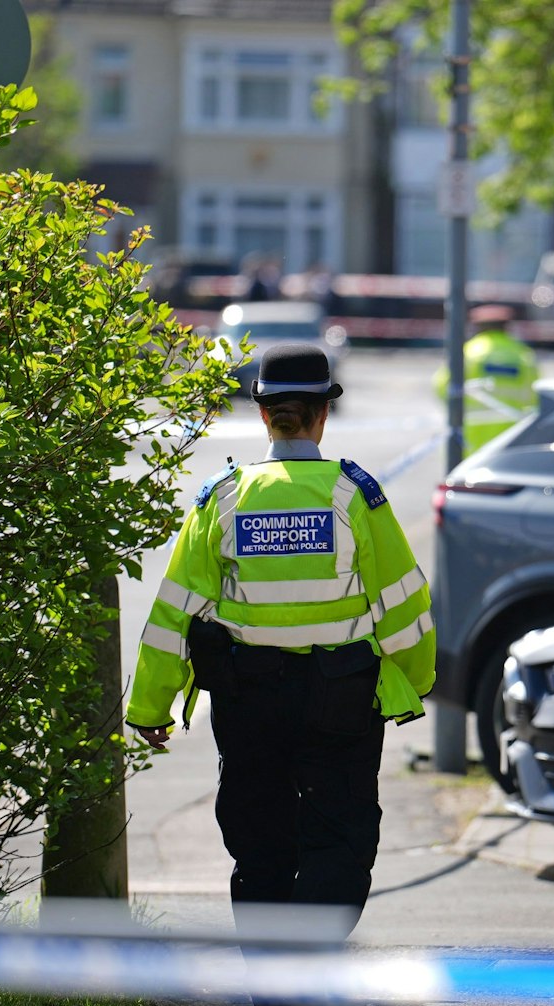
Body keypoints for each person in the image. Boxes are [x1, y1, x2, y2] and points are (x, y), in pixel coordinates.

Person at [125, 343, 435, 937]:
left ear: (263, 415)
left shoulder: (223, 498)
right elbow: (402, 602)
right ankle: (305, 966)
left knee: (260, 845)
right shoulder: (355, 496)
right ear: (323, 416)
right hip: (341, 701)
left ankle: (274, 981)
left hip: (248, 700)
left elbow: (175, 610)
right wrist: (414, 680)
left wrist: (149, 705)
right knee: (339, 841)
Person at [432, 303, 539, 454]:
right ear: (506, 327)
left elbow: (443, 388)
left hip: (469, 441)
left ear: (477, 327)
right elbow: (536, 397)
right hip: (511, 441)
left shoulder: (468, 353)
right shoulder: (523, 356)